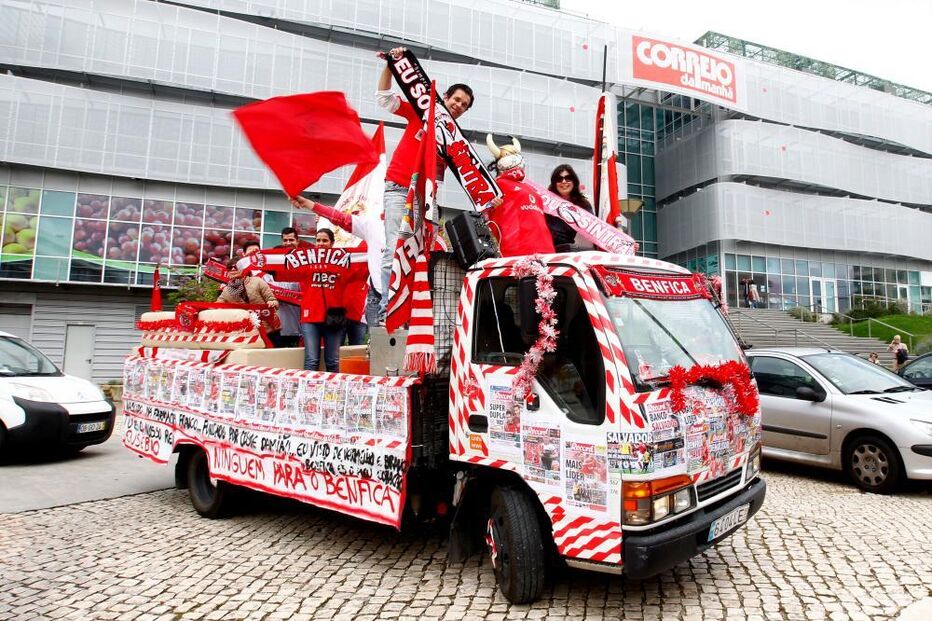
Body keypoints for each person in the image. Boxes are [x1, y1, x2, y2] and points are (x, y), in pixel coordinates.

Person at [376, 46, 474, 323]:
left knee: (417, 254)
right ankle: (387, 313)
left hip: (425, 198)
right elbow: (384, 99)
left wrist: (492, 196)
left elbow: (470, 174)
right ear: (445, 97)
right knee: (394, 249)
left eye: (464, 105)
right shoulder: (422, 111)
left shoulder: (454, 140)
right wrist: (389, 65)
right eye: (456, 99)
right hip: (398, 186)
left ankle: (406, 315)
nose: (458, 105)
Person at [250, 228, 349, 372]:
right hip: (310, 318)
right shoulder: (305, 262)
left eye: (325, 240)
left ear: (332, 243)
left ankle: (332, 393)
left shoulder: (344, 263)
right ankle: (307, 393)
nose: (321, 244)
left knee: (333, 361)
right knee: (311, 360)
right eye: (318, 240)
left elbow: (362, 269)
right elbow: (282, 269)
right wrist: (254, 261)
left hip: (333, 318)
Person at [291, 196, 376, 344]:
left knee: (356, 352)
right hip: (337, 313)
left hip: (357, 311)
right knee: (334, 356)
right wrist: (320, 217)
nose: (321, 243)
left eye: (356, 215)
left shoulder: (368, 241)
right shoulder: (324, 255)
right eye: (319, 241)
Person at [216, 258, 280, 334]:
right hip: (243, 331)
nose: (233, 269)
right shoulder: (226, 290)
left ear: (244, 268)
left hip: (267, 329)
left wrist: (272, 302)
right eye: (230, 268)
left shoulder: (257, 281)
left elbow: (274, 301)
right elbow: (217, 305)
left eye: (236, 267)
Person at [546, 165, 593, 252]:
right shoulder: (545, 200)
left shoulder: (582, 204)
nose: (564, 181)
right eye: (559, 179)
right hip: (544, 247)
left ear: (574, 181)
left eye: (568, 178)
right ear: (554, 183)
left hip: (565, 249)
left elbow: (594, 227)